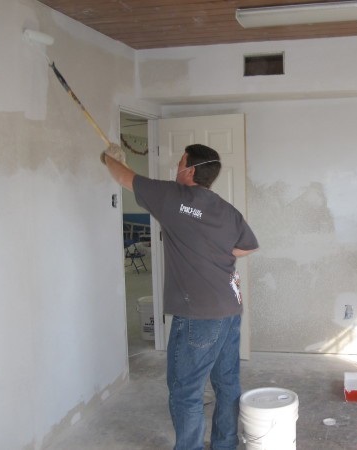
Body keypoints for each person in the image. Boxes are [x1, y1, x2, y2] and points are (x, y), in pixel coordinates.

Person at [102, 143, 259, 449]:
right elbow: (249, 246)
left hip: (197, 315)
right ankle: (225, 444)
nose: (176, 168)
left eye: (180, 163)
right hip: (229, 308)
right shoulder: (226, 210)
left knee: (186, 390)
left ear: (190, 170)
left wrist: (110, 157)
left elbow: (123, 176)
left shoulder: (172, 198)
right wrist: (217, 255)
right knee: (227, 384)